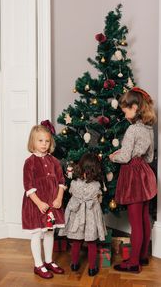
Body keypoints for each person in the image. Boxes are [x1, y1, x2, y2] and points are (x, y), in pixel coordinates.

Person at [109, 87, 157, 273]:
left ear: (135, 107)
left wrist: (114, 156)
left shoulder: (132, 129)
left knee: (135, 221)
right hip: (145, 174)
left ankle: (133, 262)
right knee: (145, 217)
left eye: (126, 110)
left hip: (133, 176)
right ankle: (143, 255)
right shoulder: (148, 128)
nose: (124, 113)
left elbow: (126, 157)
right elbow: (149, 157)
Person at [22, 120, 66, 279]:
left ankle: (48, 261)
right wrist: (39, 203)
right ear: (33, 141)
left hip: (53, 203)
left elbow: (61, 181)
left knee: (49, 232)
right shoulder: (30, 162)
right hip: (36, 204)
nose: (44, 144)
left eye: (47, 141)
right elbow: (28, 186)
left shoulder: (54, 161)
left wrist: (59, 198)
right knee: (36, 234)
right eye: (40, 140)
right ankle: (38, 264)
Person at [59, 153, 107, 276]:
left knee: (76, 242)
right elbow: (98, 199)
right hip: (90, 217)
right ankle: (92, 268)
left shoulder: (74, 183)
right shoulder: (96, 185)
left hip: (77, 218)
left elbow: (70, 193)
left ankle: (74, 264)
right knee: (91, 244)